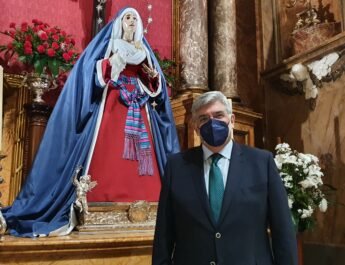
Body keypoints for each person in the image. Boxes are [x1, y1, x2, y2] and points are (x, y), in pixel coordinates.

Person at [0, 7, 179, 237]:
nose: (132, 21)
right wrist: (113, 62)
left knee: (143, 158)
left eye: (135, 18)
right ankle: (99, 203)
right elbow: (93, 75)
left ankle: (150, 206)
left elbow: (156, 88)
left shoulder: (142, 50)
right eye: (128, 17)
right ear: (119, 23)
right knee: (110, 152)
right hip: (113, 106)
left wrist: (153, 79)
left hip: (139, 108)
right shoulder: (109, 45)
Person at [152, 91, 298, 265]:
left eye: (219, 115)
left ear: (232, 120)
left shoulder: (261, 163)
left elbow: (283, 230)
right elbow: (163, 235)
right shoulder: (176, 167)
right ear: (196, 126)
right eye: (204, 119)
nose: (212, 123)